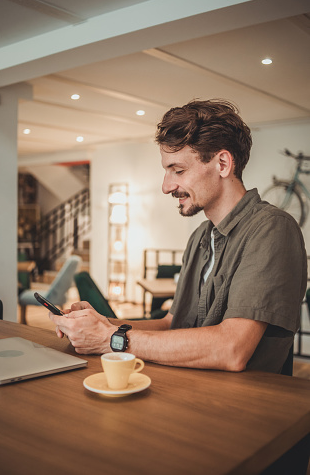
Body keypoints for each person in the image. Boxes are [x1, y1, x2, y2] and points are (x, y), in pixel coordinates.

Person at [49, 99, 307, 373]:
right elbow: (173, 323)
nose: (166, 186)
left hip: (242, 409)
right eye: (166, 170)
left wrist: (111, 340)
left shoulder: (272, 229)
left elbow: (232, 349)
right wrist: (104, 324)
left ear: (222, 163)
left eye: (178, 170)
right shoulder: (200, 237)